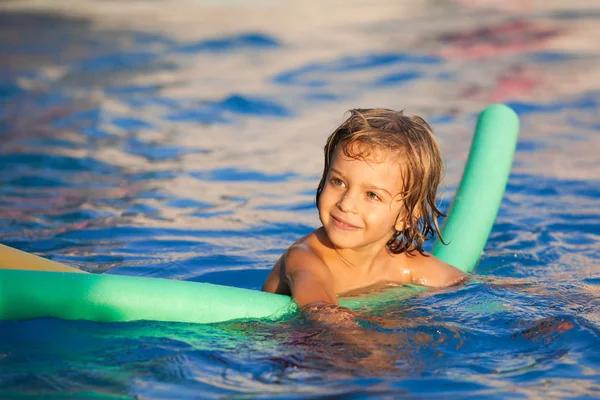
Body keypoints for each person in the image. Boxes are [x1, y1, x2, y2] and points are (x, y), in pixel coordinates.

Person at [262, 108, 465, 313]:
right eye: (338, 182)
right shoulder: (305, 258)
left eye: (372, 195)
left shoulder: (403, 263)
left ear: (406, 217)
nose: (346, 204)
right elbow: (322, 314)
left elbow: (467, 286)